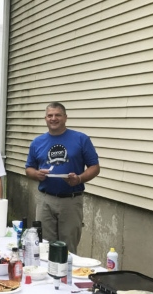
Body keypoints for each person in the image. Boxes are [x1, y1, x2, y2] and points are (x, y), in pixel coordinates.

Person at [25, 102, 100, 254]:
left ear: (65, 118)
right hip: (45, 200)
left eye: (58, 115)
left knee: (68, 248)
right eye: (50, 115)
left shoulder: (81, 139)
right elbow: (28, 169)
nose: (54, 118)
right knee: (44, 245)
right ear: (45, 118)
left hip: (71, 201)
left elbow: (95, 167)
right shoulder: (37, 142)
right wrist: (36, 174)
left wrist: (79, 179)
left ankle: (67, 276)